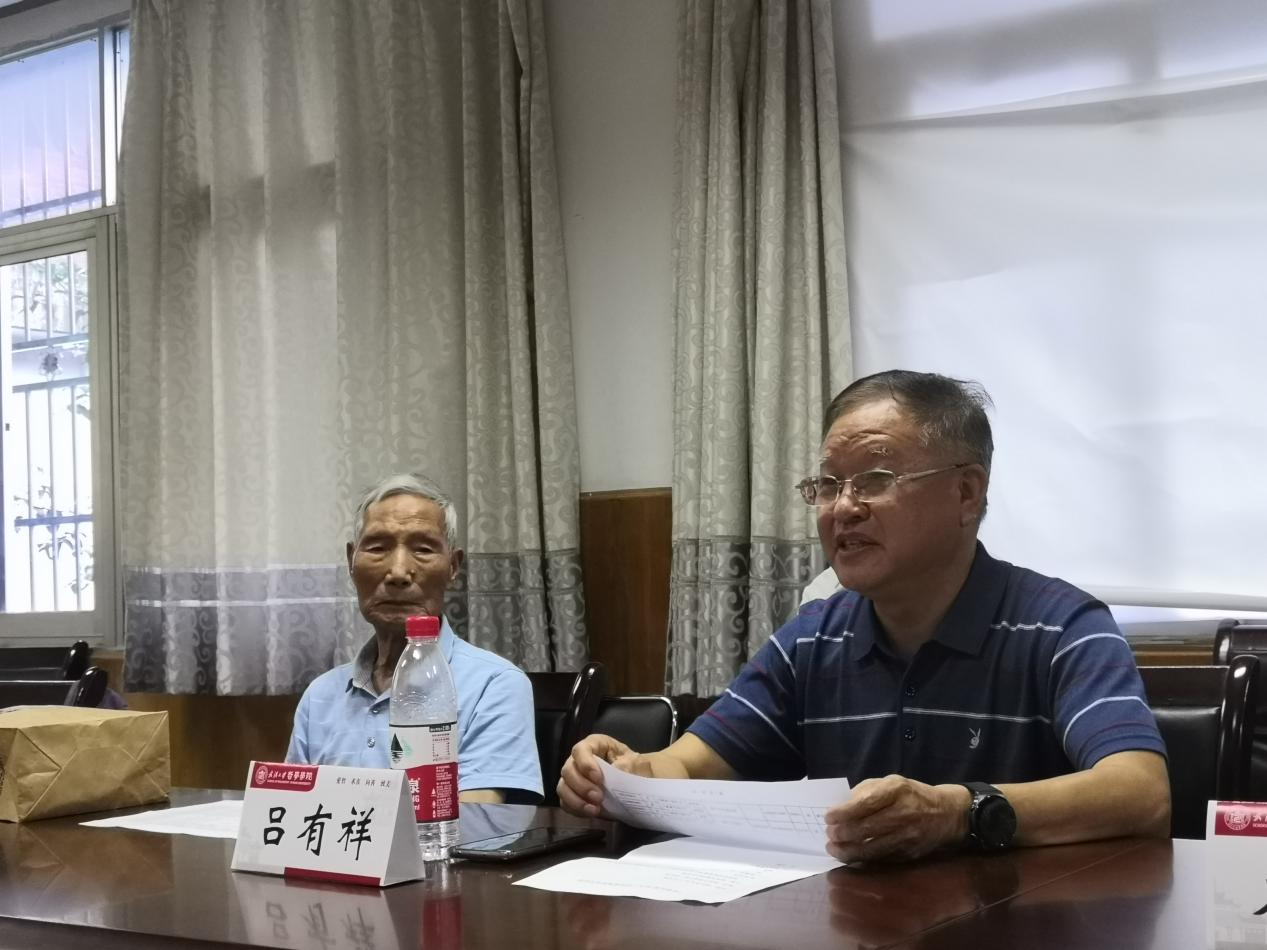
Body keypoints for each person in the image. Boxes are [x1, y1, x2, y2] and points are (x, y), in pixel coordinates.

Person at [560, 370, 1170, 862]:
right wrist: (625, 773)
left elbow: (1141, 792)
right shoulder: (812, 637)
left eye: (875, 478)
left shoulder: (1060, 626)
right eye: (828, 485)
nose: (842, 508)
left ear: (966, 493)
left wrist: (959, 812)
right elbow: (687, 766)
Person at [287, 473, 543, 804]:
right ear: (351, 560)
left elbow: (477, 820)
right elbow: (292, 812)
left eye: (422, 549)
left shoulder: (494, 686)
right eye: (377, 548)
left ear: (453, 566)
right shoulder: (320, 696)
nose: (397, 572)